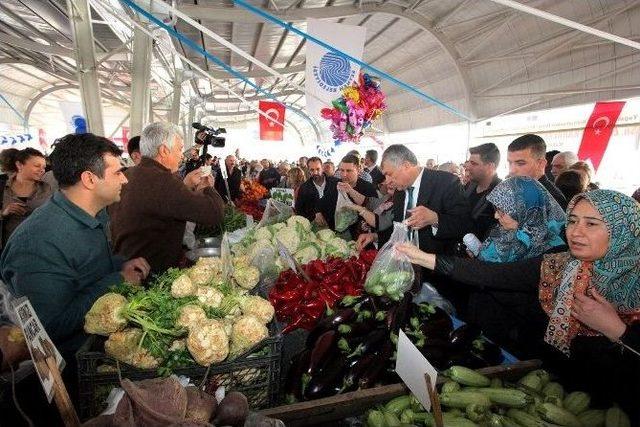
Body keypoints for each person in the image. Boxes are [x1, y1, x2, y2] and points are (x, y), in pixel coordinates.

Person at [398, 190, 640, 421]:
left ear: (622, 230)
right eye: (573, 221)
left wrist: (616, 330)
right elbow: (493, 275)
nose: (576, 232)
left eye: (591, 224)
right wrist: (421, 257)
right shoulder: (559, 265)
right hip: (555, 394)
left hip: (616, 405)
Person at [1, 133, 151, 358]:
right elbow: (49, 326)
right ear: (89, 179)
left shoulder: (92, 215)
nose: (125, 179)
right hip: (70, 365)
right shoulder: (39, 242)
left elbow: (88, 269)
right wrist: (118, 280)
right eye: (118, 172)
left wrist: (121, 265)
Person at [110, 122, 225, 274]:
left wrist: (185, 185)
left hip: (126, 266)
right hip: (151, 275)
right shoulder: (163, 181)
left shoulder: (128, 174)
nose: (181, 155)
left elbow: (160, 204)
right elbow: (215, 214)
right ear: (164, 150)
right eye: (179, 149)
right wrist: (207, 186)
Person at [476, 176, 566, 263]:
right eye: (496, 210)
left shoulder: (550, 252)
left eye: (502, 211)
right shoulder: (502, 232)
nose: (496, 216)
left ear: (524, 212)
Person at [0, 148, 52, 248]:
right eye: (37, 166)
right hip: (10, 248)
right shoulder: (2, 186)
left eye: (44, 167)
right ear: (19, 165)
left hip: (41, 246)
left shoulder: (48, 188)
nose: (42, 170)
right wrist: (3, 212)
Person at [507, 134, 567, 209]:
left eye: (520, 163)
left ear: (541, 164)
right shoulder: (519, 190)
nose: (512, 170)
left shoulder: (552, 199)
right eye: (510, 163)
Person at [464, 143, 502, 239]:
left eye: (474, 163)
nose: (467, 167)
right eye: (469, 162)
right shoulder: (469, 186)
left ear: (490, 166)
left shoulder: (501, 193)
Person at [295, 157, 339, 225]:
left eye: (318, 169)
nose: (315, 172)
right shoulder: (304, 188)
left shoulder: (335, 183)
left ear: (322, 168)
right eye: (312, 170)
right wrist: (314, 216)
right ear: (308, 170)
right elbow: (299, 210)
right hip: (314, 228)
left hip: (336, 225)